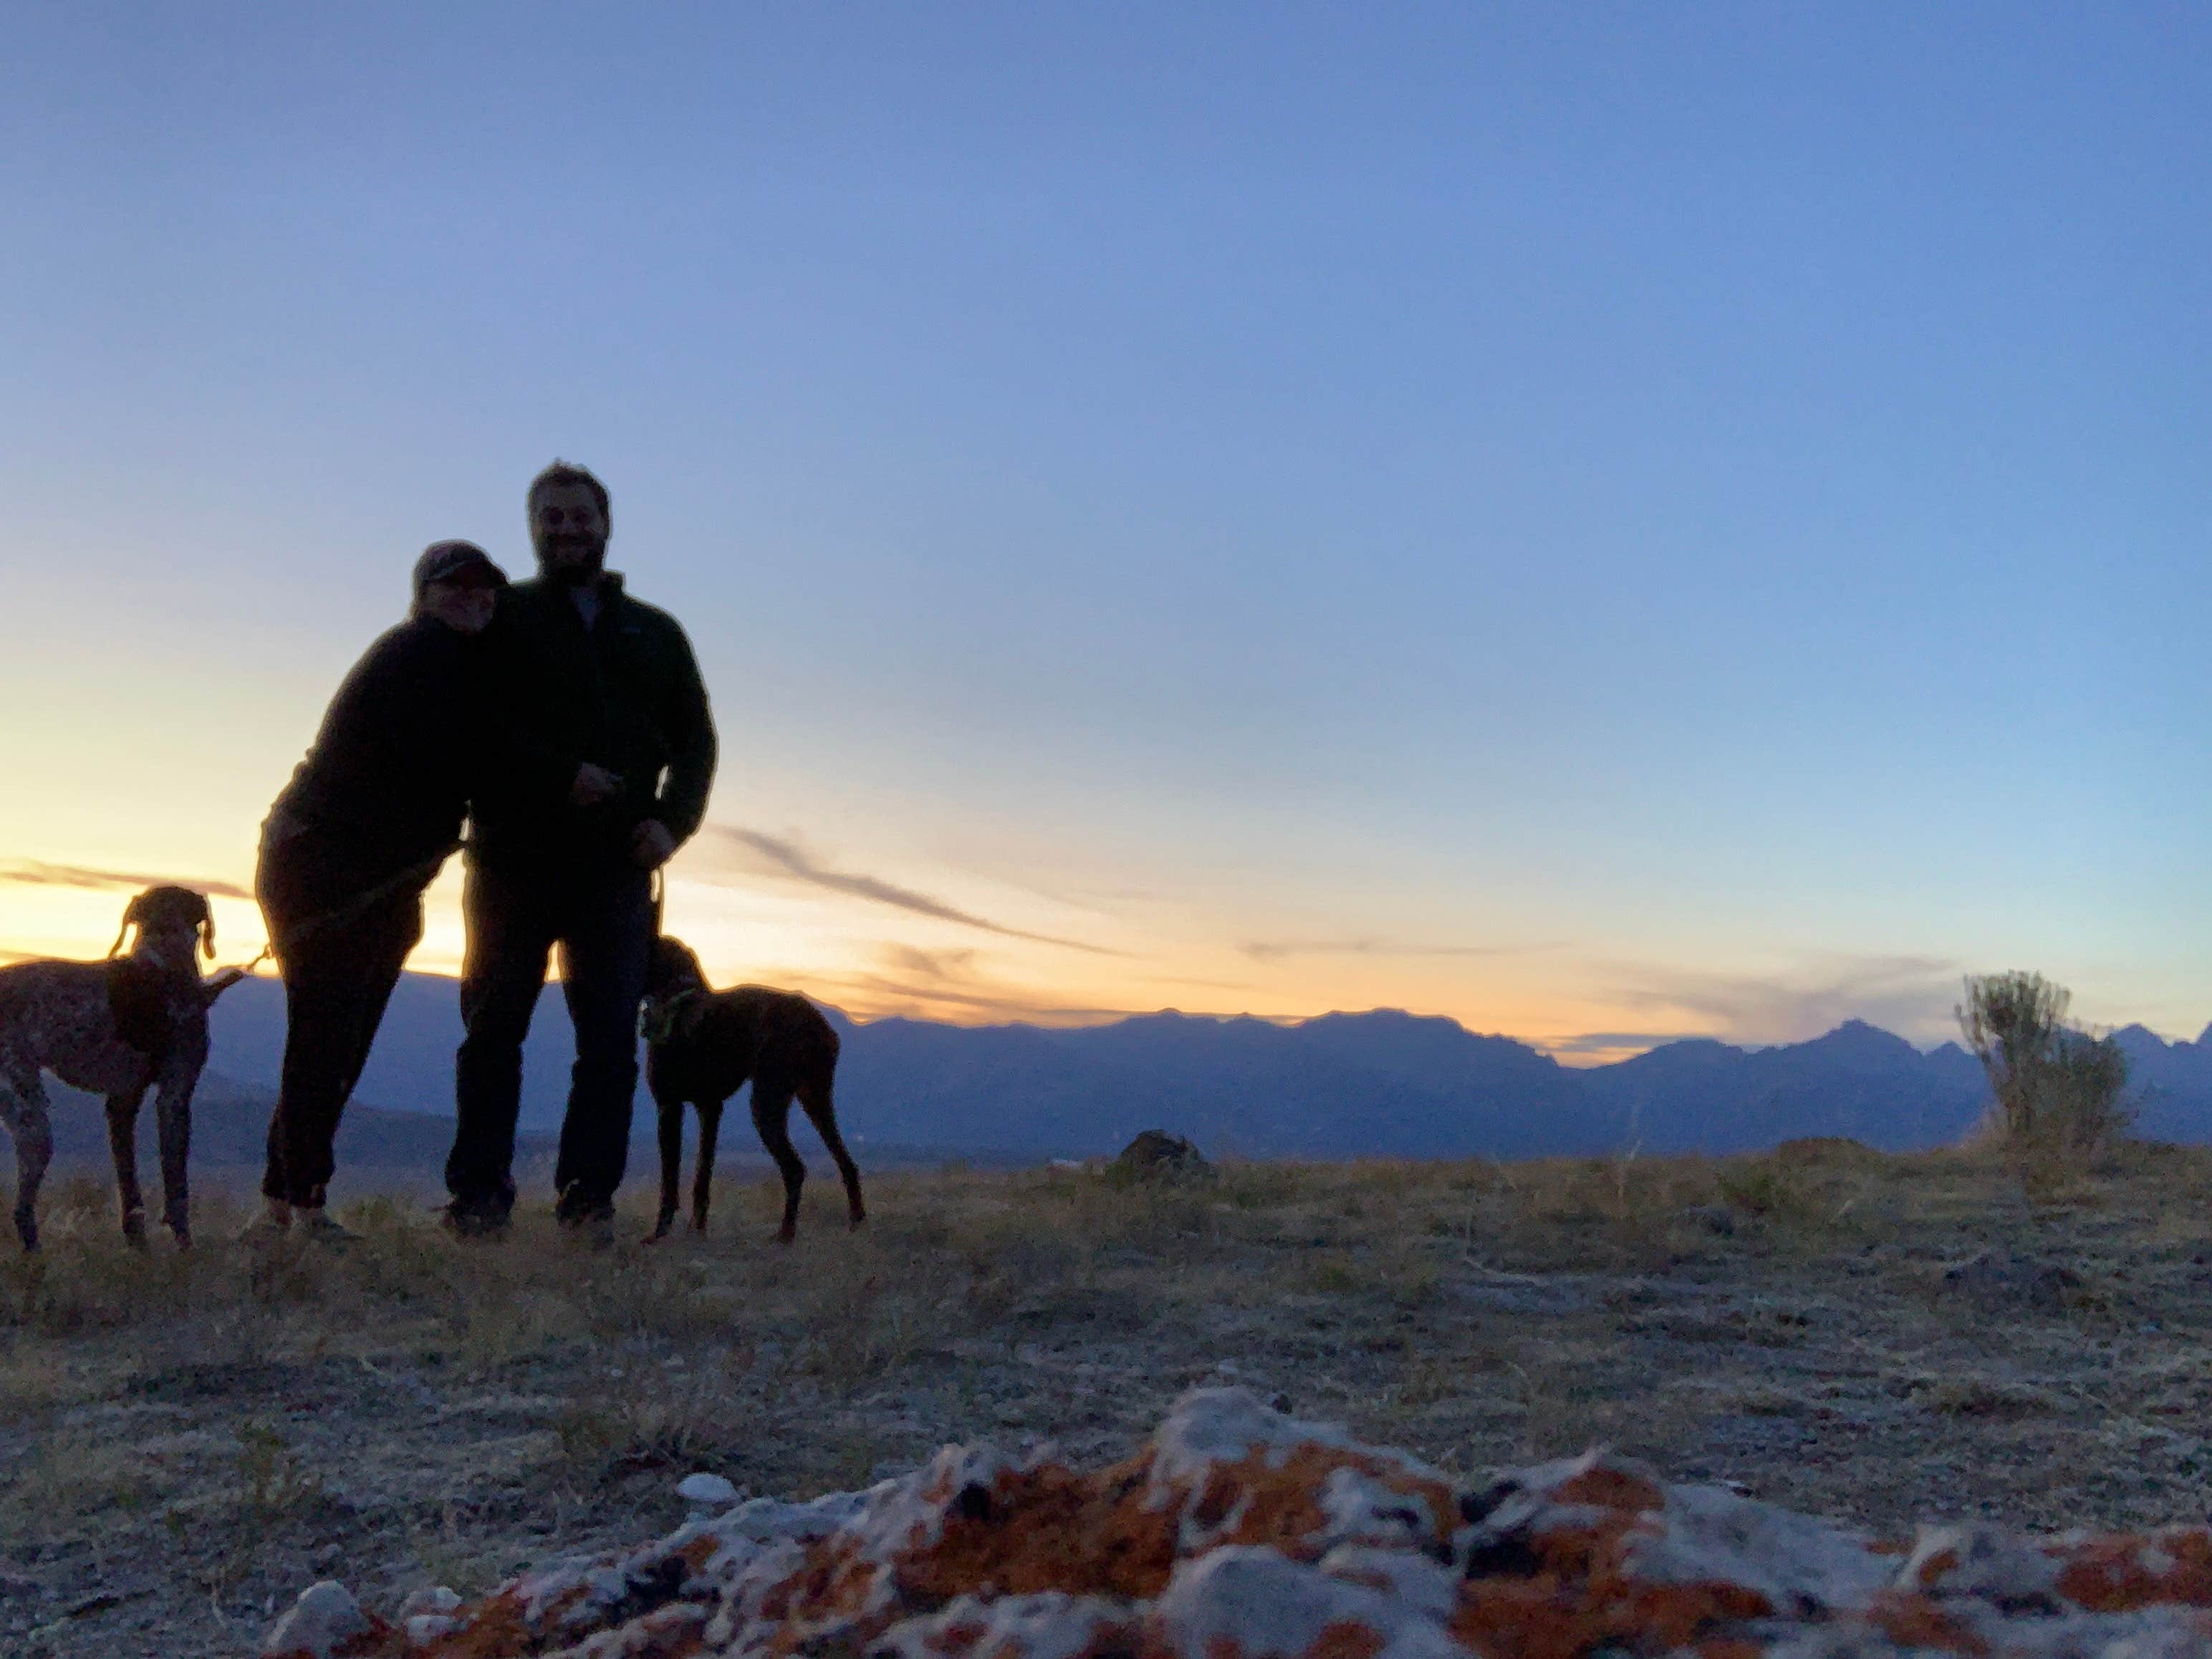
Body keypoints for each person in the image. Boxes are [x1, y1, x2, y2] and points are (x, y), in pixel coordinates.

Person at [252, 541, 559, 1241]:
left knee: (334, 1036)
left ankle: (284, 1205)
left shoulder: (449, 662)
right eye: (455, 586)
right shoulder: (421, 655)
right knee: (328, 1034)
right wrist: (567, 778)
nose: (473, 596)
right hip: (327, 865)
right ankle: (301, 1209)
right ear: (423, 596)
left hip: (367, 873)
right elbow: (484, 754)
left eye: (485, 588)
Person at [444, 461, 718, 1244]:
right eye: (551, 518)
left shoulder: (656, 633)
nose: (566, 530)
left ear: (605, 525)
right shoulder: (504, 618)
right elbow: (476, 723)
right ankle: (478, 1200)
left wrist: (672, 823)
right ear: (534, 529)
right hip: (511, 862)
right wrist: (556, 776)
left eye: (579, 517)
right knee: (493, 1032)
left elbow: (696, 740)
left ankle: (586, 1201)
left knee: (606, 1046)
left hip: (616, 870)